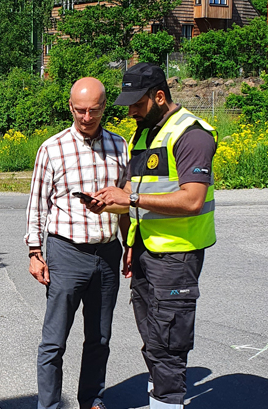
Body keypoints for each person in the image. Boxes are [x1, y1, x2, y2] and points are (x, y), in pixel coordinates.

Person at [87, 63, 217, 409]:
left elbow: (192, 199)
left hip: (178, 254)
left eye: (136, 103)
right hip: (146, 250)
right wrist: (112, 210)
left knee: (168, 341)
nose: (130, 112)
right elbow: (134, 192)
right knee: (152, 338)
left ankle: (167, 402)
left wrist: (127, 199)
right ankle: (162, 398)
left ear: (160, 96)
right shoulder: (145, 133)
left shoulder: (192, 134)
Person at [24, 77, 130, 409]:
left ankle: (92, 401)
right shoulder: (52, 149)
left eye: (94, 111)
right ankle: (50, 405)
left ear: (104, 108)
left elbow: (129, 201)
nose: (87, 118)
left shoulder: (120, 146)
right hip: (66, 252)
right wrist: (34, 251)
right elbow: (37, 204)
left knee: (99, 338)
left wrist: (130, 247)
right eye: (81, 110)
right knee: (54, 341)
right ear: (70, 107)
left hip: (108, 252)